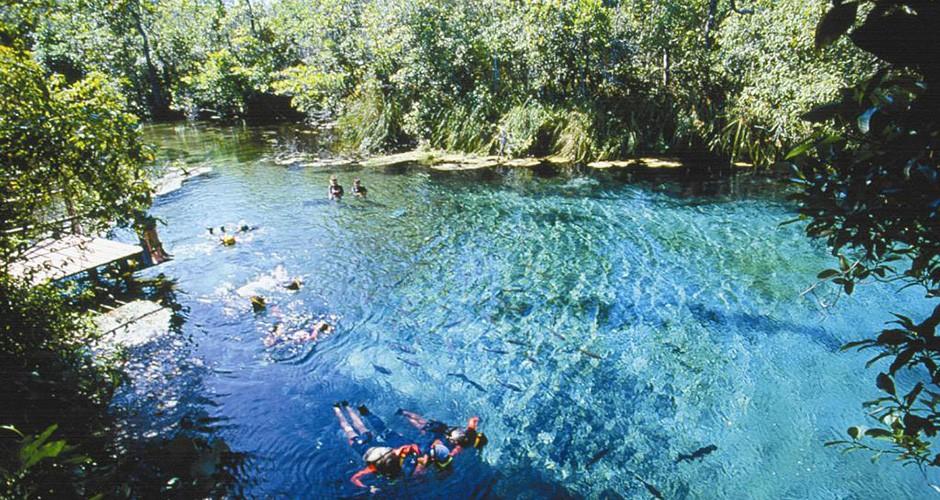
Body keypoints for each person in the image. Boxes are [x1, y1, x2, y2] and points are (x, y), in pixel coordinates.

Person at [333, 402, 421, 489]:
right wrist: (367, 487)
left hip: (371, 443)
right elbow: (354, 478)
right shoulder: (374, 468)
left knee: (359, 426)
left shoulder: (393, 456)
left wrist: (418, 454)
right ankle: (338, 408)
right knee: (349, 428)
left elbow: (408, 447)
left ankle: (346, 406)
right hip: (360, 445)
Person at [356, 405, 453, 472]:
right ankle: (364, 418)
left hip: (401, 442)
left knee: (383, 430)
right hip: (393, 447)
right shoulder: (423, 461)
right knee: (377, 435)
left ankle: (367, 414)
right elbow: (417, 474)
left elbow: (435, 441)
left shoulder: (428, 447)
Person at [398, 410, 488, 457]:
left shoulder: (472, 430)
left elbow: (472, 419)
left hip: (443, 427)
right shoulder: (466, 445)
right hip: (442, 436)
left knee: (423, 421)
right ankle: (406, 417)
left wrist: (478, 418)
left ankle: (404, 412)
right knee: (421, 427)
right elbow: (455, 451)